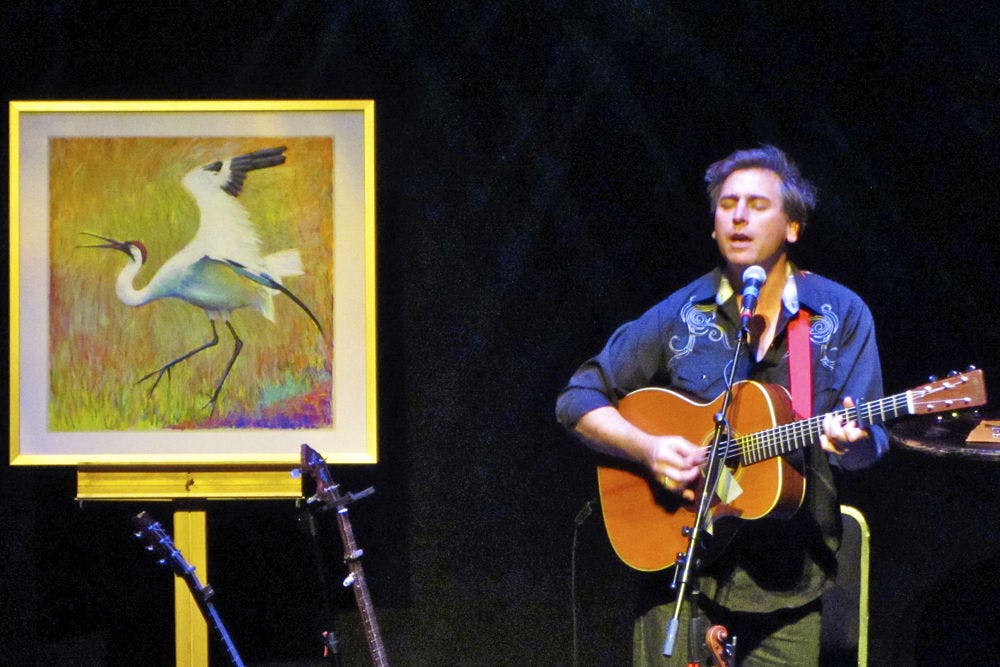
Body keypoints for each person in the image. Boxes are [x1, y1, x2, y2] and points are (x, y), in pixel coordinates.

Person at [556, 145, 888, 665]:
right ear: (713, 227)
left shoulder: (840, 315)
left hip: (790, 587)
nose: (737, 215)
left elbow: (868, 449)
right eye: (727, 204)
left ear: (793, 228)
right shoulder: (682, 312)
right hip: (684, 578)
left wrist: (854, 440)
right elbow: (579, 397)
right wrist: (648, 449)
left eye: (757, 204)